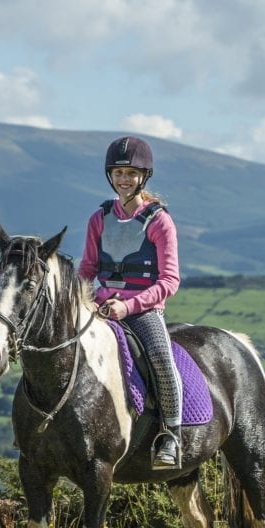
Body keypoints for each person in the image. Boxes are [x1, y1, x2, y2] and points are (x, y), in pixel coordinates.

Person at [78, 136, 183, 470]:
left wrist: (128, 306)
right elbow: (87, 269)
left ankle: (170, 435)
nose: (124, 179)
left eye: (132, 173)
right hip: (101, 308)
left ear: (144, 176)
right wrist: (84, 300)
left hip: (142, 311)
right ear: (111, 175)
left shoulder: (159, 221)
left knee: (160, 359)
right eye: (119, 172)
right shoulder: (99, 219)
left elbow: (169, 280)